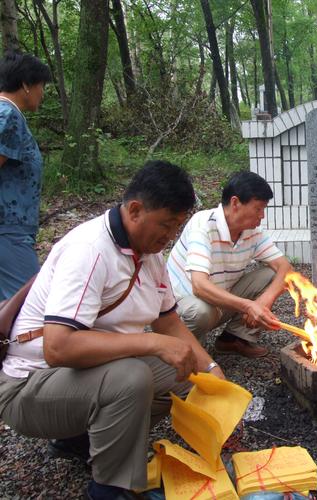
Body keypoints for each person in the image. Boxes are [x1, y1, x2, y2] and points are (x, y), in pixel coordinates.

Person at [0, 161, 224, 499]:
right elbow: (57, 348)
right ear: (135, 210)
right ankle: (109, 488)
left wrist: (210, 369)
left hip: (75, 378)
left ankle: (81, 438)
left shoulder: (150, 255)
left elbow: (169, 322)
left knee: (185, 370)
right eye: (165, 224)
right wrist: (150, 342)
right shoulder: (90, 250)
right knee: (130, 378)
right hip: (29, 385)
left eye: (177, 226)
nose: (170, 236)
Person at [167, 171, 292, 359]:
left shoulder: (253, 231)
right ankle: (180, 351)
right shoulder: (203, 224)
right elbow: (199, 286)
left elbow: (285, 268)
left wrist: (264, 300)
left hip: (218, 302)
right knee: (201, 312)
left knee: (273, 276)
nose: (262, 216)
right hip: (179, 307)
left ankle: (234, 339)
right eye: (258, 209)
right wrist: (249, 306)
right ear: (235, 203)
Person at [0, 51, 51, 300]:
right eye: (41, 86)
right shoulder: (7, 115)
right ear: (25, 85)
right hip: (7, 230)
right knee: (28, 305)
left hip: (12, 230)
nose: (42, 93)